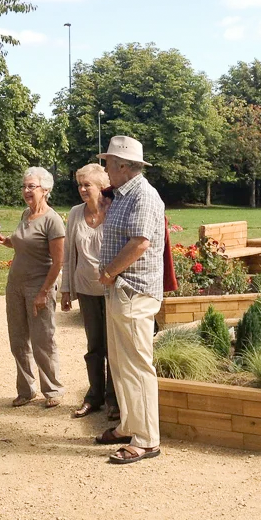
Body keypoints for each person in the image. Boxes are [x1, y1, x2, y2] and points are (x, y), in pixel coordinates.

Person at [94, 136, 166, 465]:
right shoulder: (124, 195)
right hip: (121, 290)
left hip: (133, 290)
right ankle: (129, 426)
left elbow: (139, 243)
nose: (104, 167)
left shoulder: (144, 195)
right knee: (121, 365)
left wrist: (109, 272)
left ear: (124, 166)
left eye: (108, 162)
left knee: (136, 366)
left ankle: (147, 440)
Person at [0, 167, 66, 408]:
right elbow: (22, 244)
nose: (26, 191)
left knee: (42, 340)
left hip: (39, 285)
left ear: (45, 190)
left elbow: (58, 262)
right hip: (15, 284)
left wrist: (44, 292)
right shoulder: (26, 214)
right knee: (17, 340)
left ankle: (53, 389)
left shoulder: (53, 220)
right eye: (24, 186)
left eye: (31, 187)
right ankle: (26, 390)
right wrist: (5, 241)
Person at [61, 163, 117, 420]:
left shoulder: (114, 208)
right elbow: (69, 253)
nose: (82, 189)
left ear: (101, 186)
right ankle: (94, 396)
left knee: (114, 347)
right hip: (86, 288)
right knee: (94, 346)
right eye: (80, 184)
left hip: (113, 290)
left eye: (87, 184)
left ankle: (114, 400)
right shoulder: (74, 213)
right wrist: (66, 290)